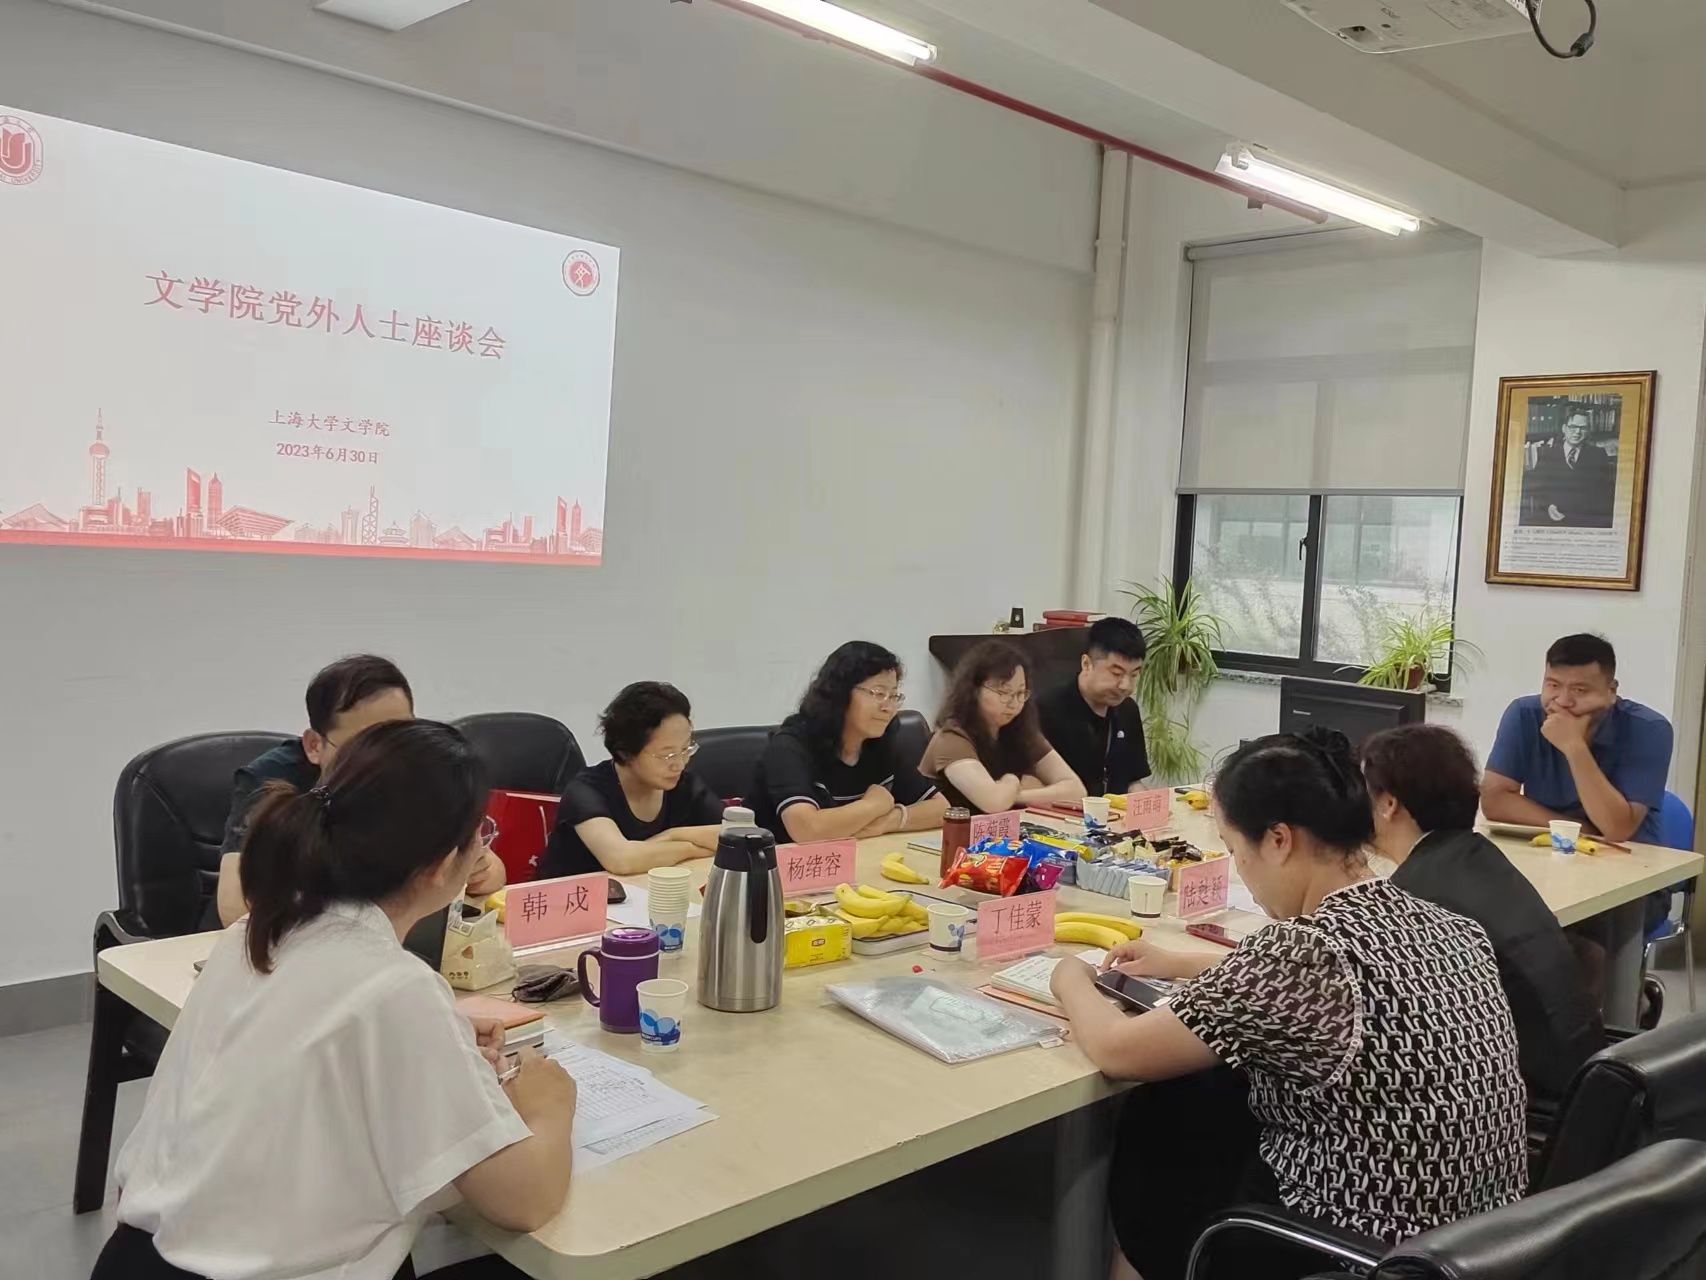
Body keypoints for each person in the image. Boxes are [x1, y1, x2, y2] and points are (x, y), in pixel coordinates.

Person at [95, 720, 578, 1280]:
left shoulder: (258, 931)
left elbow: (311, 1050)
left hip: (135, 1260)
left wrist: (437, 1042)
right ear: (444, 865)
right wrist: (549, 1103)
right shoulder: (397, 988)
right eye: (481, 831)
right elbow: (524, 1200)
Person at [1049, 729, 1526, 1280]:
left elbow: (1117, 1050)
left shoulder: (1301, 952)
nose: (1241, 872)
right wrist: (1181, 963)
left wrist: (1069, 977)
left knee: (1165, 1115)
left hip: (1353, 1255)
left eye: (1235, 850)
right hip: (1479, 1250)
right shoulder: (1448, 924)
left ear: (1278, 840)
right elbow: (1342, 982)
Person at [1363, 723, 1604, 1104]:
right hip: (1583, 1071)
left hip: (1531, 1089)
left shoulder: (1418, 893)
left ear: (1388, 804)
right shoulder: (1477, 855)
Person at [215, 654, 504, 926]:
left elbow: (491, 874)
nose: (387, 758)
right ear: (315, 745)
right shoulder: (271, 780)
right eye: (366, 744)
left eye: (400, 736)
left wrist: (477, 870)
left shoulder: (418, 765)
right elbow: (235, 909)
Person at [1481, 634, 1673, 846]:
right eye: (1553, 685)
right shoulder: (1524, 714)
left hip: (1630, 854)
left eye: (1579, 690)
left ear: (1611, 691)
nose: (1563, 701)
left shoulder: (1649, 728)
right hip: (1551, 847)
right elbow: (1494, 801)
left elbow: (1616, 829)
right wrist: (1577, 830)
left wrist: (1574, 747)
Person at [749, 641, 948, 842]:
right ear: (840, 693)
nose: (888, 708)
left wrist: (889, 821)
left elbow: (942, 808)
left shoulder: (881, 743)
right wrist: (873, 805)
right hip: (780, 858)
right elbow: (807, 830)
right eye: (879, 693)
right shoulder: (790, 747)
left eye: (894, 696)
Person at [540, 681, 725, 878]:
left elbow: (737, 835)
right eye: (667, 755)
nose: (679, 764)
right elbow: (621, 860)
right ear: (626, 752)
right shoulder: (586, 790)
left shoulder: (684, 784)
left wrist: (672, 836)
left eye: (686, 749)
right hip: (573, 895)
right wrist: (689, 848)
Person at [917, 640, 1086, 814]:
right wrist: (1013, 780)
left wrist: (1014, 794)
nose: (1014, 703)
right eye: (1004, 692)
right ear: (973, 690)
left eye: (1020, 693)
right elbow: (993, 802)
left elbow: (1076, 791)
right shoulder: (951, 737)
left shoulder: (1020, 730)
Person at [1035, 617, 1150, 797]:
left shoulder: (1128, 710)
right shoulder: (1045, 710)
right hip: (1064, 811)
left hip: (1116, 812)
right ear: (1086, 664)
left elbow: (1133, 782)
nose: (1125, 686)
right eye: (1116, 673)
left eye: (1134, 675)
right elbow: (1033, 785)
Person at [1524, 412, 1615, 529]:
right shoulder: (1547, 454)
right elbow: (1537, 489)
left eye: (1583, 428)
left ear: (1588, 431)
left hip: (1588, 521)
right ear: (1564, 428)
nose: (1577, 432)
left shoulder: (1598, 455)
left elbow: (1606, 492)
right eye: (1573, 427)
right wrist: (1548, 506)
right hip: (1554, 520)